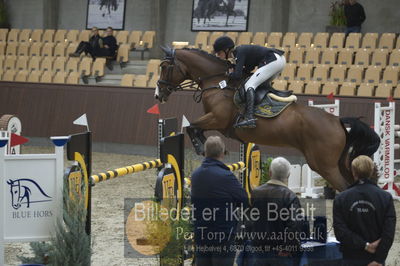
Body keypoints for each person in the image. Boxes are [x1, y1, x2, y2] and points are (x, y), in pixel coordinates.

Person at [191, 136, 248, 266]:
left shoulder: (195, 175)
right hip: (223, 235)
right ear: (222, 153)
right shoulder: (226, 176)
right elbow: (244, 200)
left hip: (201, 233)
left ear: (204, 153)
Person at [333, 155, 396, 266]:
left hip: (351, 258)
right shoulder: (385, 197)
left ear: (353, 172)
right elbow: (388, 233)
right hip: (375, 259)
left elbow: (340, 232)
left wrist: (365, 245)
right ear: (371, 171)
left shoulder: (341, 198)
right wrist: (379, 259)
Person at [213, 36, 287, 128]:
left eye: (219, 53)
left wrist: (228, 74)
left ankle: (249, 118)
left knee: (249, 85)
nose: (217, 56)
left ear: (227, 50)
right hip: (279, 59)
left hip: (273, 59)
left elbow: (237, 76)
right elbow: (248, 70)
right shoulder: (239, 53)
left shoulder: (239, 52)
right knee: (261, 84)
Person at [247, 157, 303, 266]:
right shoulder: (290, 197)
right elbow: (294, 225)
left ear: (270, 173)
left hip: (258, 249)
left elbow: (249, 221)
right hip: (280, 252)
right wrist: (288, 247)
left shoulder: (256, 193)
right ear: (288, 175)